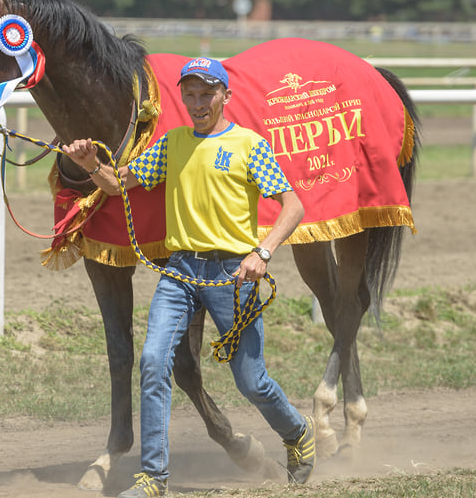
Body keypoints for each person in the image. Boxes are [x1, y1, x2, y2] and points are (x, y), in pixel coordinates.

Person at [62, 57, 315, 497]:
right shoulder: (171, 143)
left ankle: (297, 433)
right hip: (179, 272)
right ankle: (154, 478)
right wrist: (90, 166)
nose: (198, 103)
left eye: (207, 94)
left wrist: (263, 251)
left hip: (232, 274)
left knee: (251, 381)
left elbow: (293, 206)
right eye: (190, 94)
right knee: (154, 362)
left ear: (225, 96)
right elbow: (118, 183)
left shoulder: (249, 146)